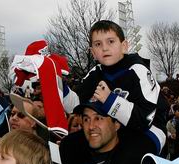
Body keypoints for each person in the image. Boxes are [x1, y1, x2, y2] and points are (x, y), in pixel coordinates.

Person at [68, 20, 168, 154]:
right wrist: (56, 83)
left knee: (128, 158)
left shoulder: (138, 70)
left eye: (110, 41)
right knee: (69, 145)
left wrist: (110, 100)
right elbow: (74, 105)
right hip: (112, 129)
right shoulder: (94, 73)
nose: (104, 48)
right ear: (93, 53)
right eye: (98, 44)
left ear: (124, 46)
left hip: (149, 130)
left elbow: (145, 120)